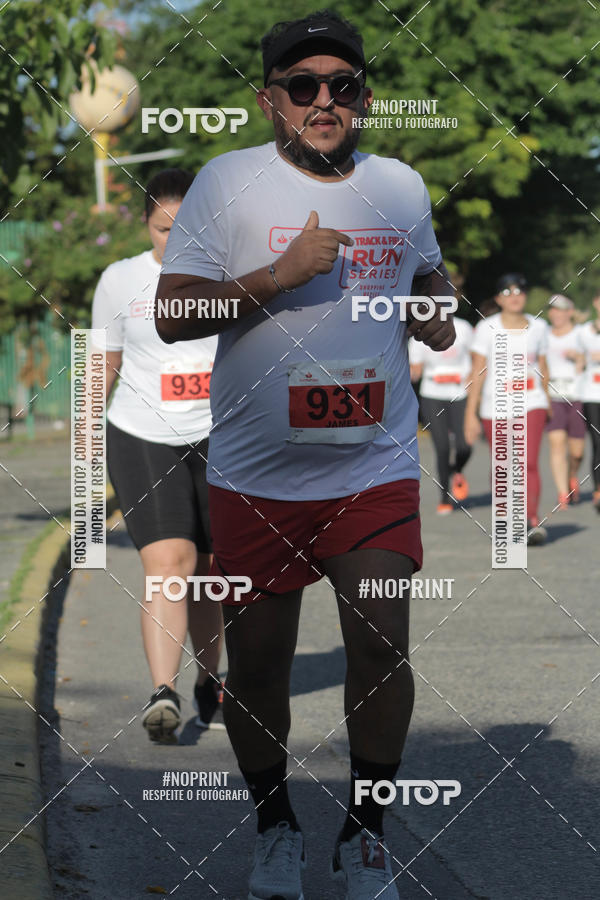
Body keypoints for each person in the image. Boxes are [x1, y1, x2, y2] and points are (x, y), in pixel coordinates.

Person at [155, 10, 455, 898]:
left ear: (364, 98)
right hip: (257, 478)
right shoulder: (226, 183)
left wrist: (436, 308)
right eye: (303, 86)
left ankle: (364, 835)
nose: (325, 101)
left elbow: (428, 274)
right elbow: (175, 314)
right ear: (270, 100)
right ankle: (275, 825)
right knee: (257, 667)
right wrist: (275, 278)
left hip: (373, 467)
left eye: (344, 86)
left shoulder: (399, 186)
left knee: (381, 641)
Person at [91, 169, 224, 743]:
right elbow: (101, 366)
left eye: (186, 227)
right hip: (143, 434)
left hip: (223, 436)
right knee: (170, 563)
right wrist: (85, 454)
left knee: (215, 572)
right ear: (146, 225)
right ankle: (163, 693)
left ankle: (210, 676)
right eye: (163, 228)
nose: (175, 239)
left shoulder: (229, 276)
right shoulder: (120, 280)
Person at [464, 273, 551, 545]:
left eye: (520, 291)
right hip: (496, 405)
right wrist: (470, 414)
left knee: (528, 462)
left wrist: (547, 400)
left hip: (532, 400)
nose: (515, 296)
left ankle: (530, 522)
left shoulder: (539, 327)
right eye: (508, 291)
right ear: (499, 298)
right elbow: (477, 372)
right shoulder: (486, 327)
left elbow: (544, 368)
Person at [409, 316, 474, 513]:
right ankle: (445, 497)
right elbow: (416, 371)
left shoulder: (463, 326)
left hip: (460, 392)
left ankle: (457, 469)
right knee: (442, 447)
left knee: (464, 446)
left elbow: (476, 358)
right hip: (432, 394)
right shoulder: (418, 332)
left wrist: (474, 379)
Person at [542, 294, 585, 508]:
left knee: (577, 452)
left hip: (577, 395)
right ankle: (562, 492)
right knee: (556, 444)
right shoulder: (543, 335)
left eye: (561, 309)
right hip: (552, 396)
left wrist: (581, 359)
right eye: (553, 309)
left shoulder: (580, 334)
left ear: (570, 311)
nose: (556, 314)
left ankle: (572, 474)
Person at [579, 292, 600, 511]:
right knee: (597, 443)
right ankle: (598, 491)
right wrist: (580, 358)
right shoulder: (583, 332)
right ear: (595, 302)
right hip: (592, 395)